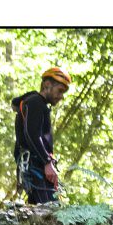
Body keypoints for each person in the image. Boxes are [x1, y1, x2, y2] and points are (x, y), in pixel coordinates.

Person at [13, 67, 71, 204]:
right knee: (48, 211)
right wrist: (46, 161)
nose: (61, 96)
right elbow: (32, 134)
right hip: (35, 165)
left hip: (35, 165)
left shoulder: (36, 103)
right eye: (60, 90)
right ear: (47, 85)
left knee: (43, 212)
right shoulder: (36, 102)